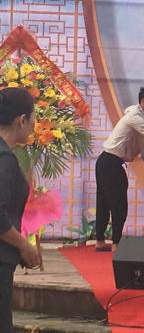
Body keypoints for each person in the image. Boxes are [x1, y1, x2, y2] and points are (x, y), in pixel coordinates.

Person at [95, 86, 144, 251]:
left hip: (106, 161)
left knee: (105, 202)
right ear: (143, 101)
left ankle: (100, 241)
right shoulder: (134, 118)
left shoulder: (139, 117)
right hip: (110, 163)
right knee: (118, 204)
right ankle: (116, 243)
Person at [0, 88, 42, 331]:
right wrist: (25, 246)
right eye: (34, 117)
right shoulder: (4, 158)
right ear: (22, 120)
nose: (34, 124)